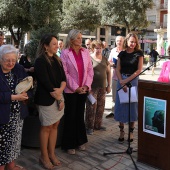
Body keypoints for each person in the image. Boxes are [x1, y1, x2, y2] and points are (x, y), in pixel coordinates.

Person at [34, 34, 66, 169]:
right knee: (46, 127)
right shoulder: (40, 61)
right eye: (53, 44)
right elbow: (46, 82)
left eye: (56, 43)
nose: (56, 46)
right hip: (47, 98)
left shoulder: (58, 59)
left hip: (58, 95)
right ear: (45, 46)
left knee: (55, 125)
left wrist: (61, 92)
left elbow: (64, 79)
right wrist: (58, 96)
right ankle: (44, 156)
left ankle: (52, 154)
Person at [60, 29, 94, 155]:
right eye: (78, 38)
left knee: (80, 115)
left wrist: (86, 85)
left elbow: (90, 71)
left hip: (83, 89)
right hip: (70, 90)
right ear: (72, 39)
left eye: (81, 37)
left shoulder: (85, 52)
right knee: (70, 116)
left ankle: (80, 141)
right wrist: (75, 87)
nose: (81, 40)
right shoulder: (65, 53)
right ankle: (69, 144)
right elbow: (65, 73)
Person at [0, 44, 31, 170]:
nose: (11, 63)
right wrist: (12, 97)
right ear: (0, 59)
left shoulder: (18, 69)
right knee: (1, 146)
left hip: (17, 115)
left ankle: (11, 165)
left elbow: (28, 87)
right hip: (2, 116)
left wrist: (26, 96)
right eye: (7, 60)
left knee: (14, 142)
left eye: (13, 60)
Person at [114, 33, 143, 143]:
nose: (133, 44)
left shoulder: (139, 53)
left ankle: (131, 132)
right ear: (127, 41)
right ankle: (121, 131)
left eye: (135, 42)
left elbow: (139, 70)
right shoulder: (122, 53)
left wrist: (126, 81)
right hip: (121, 80)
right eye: (131, 41)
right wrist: (122, 82)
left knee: (132, 107)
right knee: (121, 106)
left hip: (133, 81)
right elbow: (117, 69)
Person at [85, 40, 111, 135]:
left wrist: (109, 85)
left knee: (101, 106)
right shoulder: (89, 59)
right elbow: (86, 73)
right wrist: (87, 88)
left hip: (102, 87)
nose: (98, 50)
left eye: (100, 48)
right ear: (92, 48)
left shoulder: (104, 59)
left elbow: (108, 72)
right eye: (96, 48)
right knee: (91, 107)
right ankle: (89, 127)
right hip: (92, 87)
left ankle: (97, 125)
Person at [106, 36, 124, 118]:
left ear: (123, 42)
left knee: (123, 96)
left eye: (120, 41)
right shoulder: (113, 50)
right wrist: (112, 64)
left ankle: (122, 112)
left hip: (123, 77)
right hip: (114, 76)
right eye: (117, 41)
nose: (119, 42)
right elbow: (109, 62)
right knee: (114, 96)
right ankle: (113, 112)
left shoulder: (125, 51)